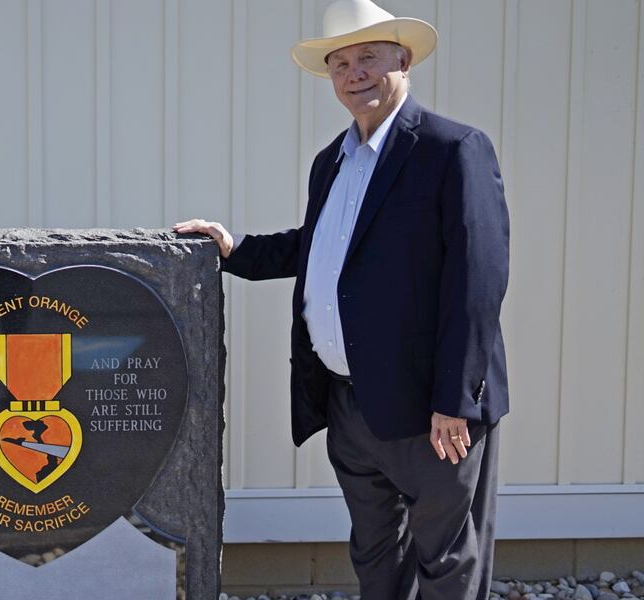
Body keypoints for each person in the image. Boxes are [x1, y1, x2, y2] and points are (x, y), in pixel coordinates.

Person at [175, 1, 509, 597]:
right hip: (351, 408)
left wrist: (455, 399)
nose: (354, 74)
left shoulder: (452, 150)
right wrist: (235, 250)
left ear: (402, 60)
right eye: (340, 63)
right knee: (376, 555)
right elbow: (325, 247)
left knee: (448, 564)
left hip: (432, 414)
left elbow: (477, 281)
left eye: (368, 59)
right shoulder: (332, 161)